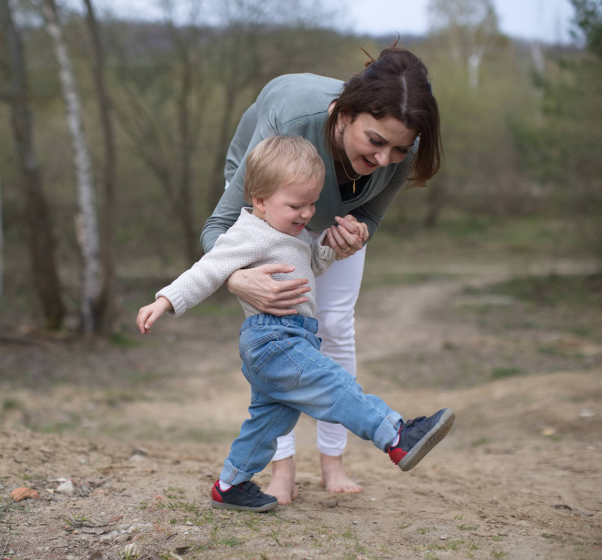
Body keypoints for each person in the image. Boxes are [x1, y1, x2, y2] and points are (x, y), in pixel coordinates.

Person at [137, 135, 454, 512]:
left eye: (312, 203)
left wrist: (330, 248)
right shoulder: (247, 233)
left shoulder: (290, 232)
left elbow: (310, 270)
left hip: (286, 341)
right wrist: (166, 300)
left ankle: (231, 484)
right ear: (259, 200)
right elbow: (208, 269)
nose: (306, 214)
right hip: (274, 338)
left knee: (269, 422)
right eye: (296, 205)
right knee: (336, 385)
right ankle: (396, 435)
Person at [201, 42, 443, 504]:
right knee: (280, 337)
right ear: (346, 113)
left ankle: (333, 460)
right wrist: (235, 278)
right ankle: (281, 469)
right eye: (374, 141)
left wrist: (357, 235)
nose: (384, 159)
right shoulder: (292, 122)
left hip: (333, 217)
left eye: (399, 149)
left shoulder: (398, 149)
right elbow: (217, 227)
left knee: (333, 326)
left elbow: (370, 216)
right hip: (276, 201)